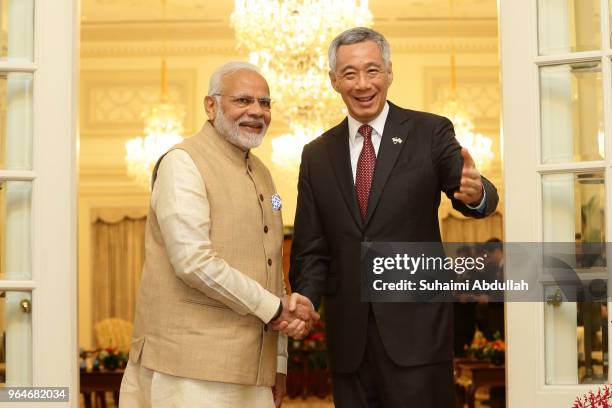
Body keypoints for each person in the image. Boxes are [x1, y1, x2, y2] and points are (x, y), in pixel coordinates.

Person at [289, 27, 499, 407]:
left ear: (388, 73)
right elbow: (310, 247)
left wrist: (478, 193)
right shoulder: (316, 155)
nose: (363, 84)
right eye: (350, 73)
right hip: (350, 341)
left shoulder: (430, 131)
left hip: (418, 336)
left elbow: (470, 188)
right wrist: (305, 299)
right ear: (334, 80)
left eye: (372, 70)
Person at [119, 61, 319, 408]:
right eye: (242, 100)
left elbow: (273, 269)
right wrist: (276, 310)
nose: (256, 111)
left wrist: (279, 363)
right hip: (190, 371)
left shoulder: (266, 178)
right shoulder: (183, 163)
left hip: (254, 370)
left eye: (265, 103)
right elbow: (193, 261)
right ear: (210, 106)